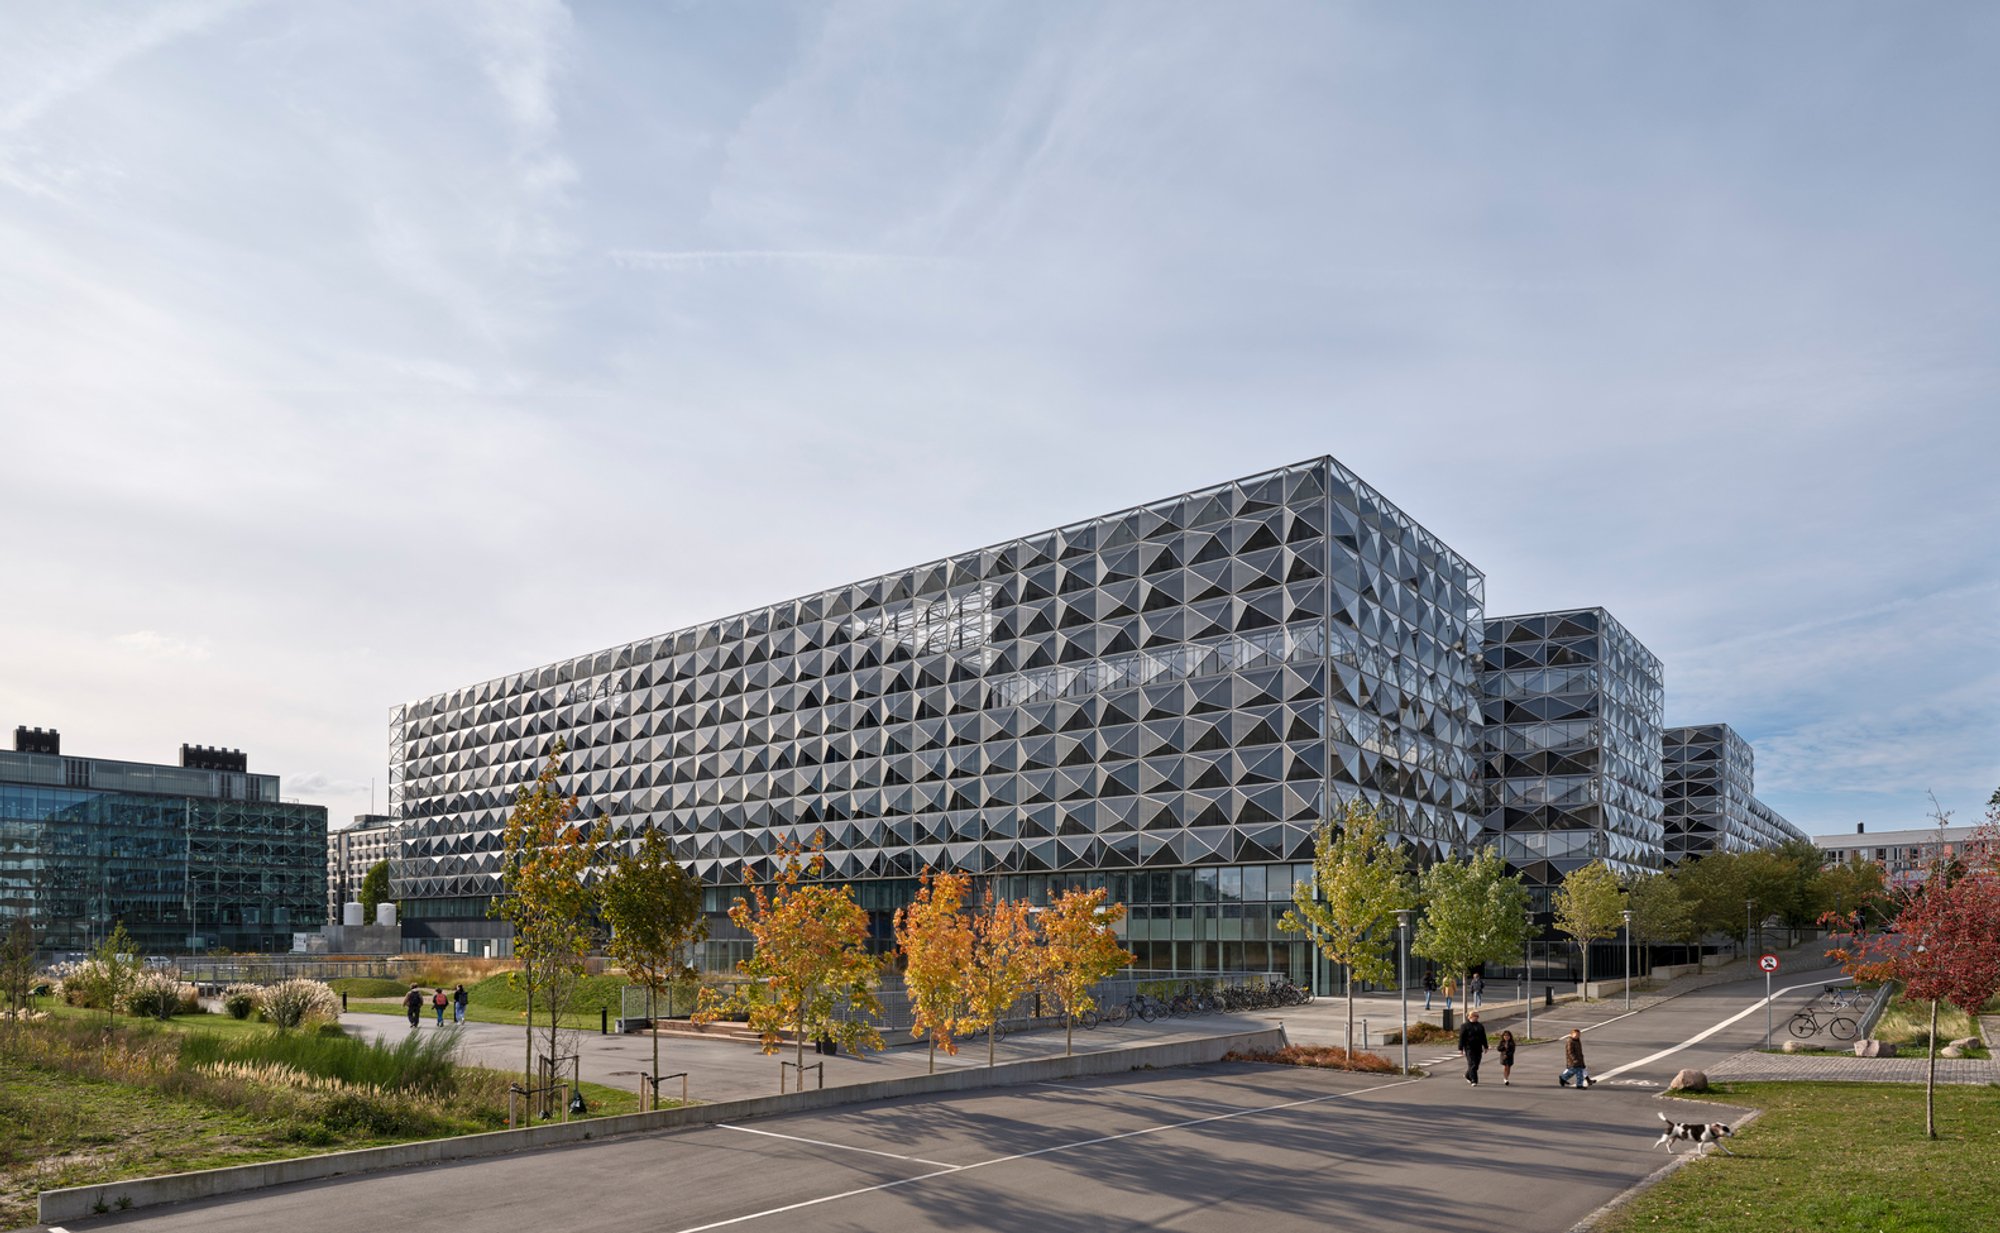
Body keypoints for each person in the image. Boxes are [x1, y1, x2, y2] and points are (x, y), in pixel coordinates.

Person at [1457, 1010, 1489, 1086]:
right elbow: (1461, 1037)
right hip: (1469, 1047)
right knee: (1472, 1063)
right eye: (1475, 1016)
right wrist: (1460, 1048)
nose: (1477, 1018)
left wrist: (1485, 1046)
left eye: (1477, 1016)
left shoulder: (1480, 1025)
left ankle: (1467, 1075)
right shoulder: (1464, 1026)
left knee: (1476, 1064)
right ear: (1470, 1017)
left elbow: (1483, 1036)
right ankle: (1474, 1080)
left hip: (1478, 1047)